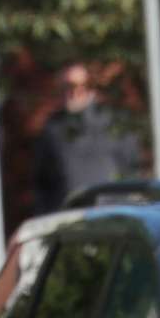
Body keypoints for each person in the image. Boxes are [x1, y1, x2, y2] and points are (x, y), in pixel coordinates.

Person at [30, 63, 142, 217]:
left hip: (112, 219)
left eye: (78, 86)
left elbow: (132, 171)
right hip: (66, 221)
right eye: (66, 86)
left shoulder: (114, 125)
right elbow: (42, 183)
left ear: (90, 87)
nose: (72, 92)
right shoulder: (51, 130)